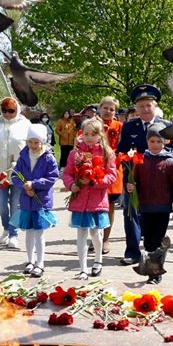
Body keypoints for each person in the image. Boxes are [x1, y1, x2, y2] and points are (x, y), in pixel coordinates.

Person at [115, 85, 173, 266]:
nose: (145, 109)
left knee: (155, 217)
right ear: (136, 108)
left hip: (158, 181)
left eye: (148, 105)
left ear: (155, 106)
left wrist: (164, 160)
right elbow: (121, 151)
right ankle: (133, 252)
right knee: (131, 213)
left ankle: (154, 254)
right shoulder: (129, 127)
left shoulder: (167, 126)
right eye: (141, 106)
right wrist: (126, 162)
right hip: (134, 181)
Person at [63, 117, 117, 280]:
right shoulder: (76, 153)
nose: (89, 137)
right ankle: (82, 267)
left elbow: (112, 175)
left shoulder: (107, 153)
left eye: (93, 134)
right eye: (86, 134)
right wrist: (72, 184)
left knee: (95, 233)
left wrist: (96, 181)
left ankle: (98, 261)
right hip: (80, 200)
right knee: (81, 234)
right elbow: (67, 173)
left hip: (97, 200)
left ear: (100, 135)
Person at [130, 124, 173, 284]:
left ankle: (156, 273)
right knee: (147, 241)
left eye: (158, 142)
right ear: (147, 142)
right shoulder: (140, 160)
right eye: (152, 141)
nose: (155, 145)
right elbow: (134, 182)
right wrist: (130, 188)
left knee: (158, 241)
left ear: (164, 142)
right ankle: (150, 269)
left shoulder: (169, 162)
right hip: (145, 207)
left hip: (162, 207)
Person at [13, 125, 60, 278]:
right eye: (31, 142)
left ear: (43, 142)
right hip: (27, 200)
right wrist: (23, 186)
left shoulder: (48, 158)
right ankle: (30, 260)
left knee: (39, 233)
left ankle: (40, 263)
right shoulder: (23, 157)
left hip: (41, 201)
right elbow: (15, 175)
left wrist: (34, 184)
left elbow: (52, 178)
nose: (33, 146)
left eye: (37, 143)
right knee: (28, 232)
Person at [0, 98, 33, 249]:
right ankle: (6, 227)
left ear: (17, 110)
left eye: (10, 111)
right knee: (0, 203)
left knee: (16, 205)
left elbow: (33, 145)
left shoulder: (25, 124)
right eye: (4, 111)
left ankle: (14, 234)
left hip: (18, 173)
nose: (7, 114)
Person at [98, 98, 124, 256]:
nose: (108, 111)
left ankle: (106, 239)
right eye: (105, 108)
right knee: (94, 207)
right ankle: (95, 237)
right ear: (100, 108)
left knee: (110, 207)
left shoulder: (120, 126)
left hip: (113, 171)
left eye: (112, 109)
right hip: (94, 170)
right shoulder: (91, 124)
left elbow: (123, 147)